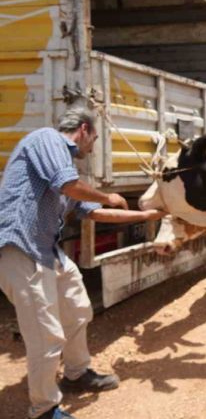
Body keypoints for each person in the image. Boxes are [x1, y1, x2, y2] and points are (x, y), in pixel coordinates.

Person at [0, 107, 164, 419]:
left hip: (47, 250)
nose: (92, 149)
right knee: (45, 334)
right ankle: (44, 409)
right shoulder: (47, 140)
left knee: (77, 308)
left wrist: (148, 215)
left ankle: (76, 374)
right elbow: (74, 188)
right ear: (84, 130)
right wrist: (109, 195)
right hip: (19, 248)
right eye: (94, 140)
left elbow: (94, 212)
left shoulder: (67, 170)